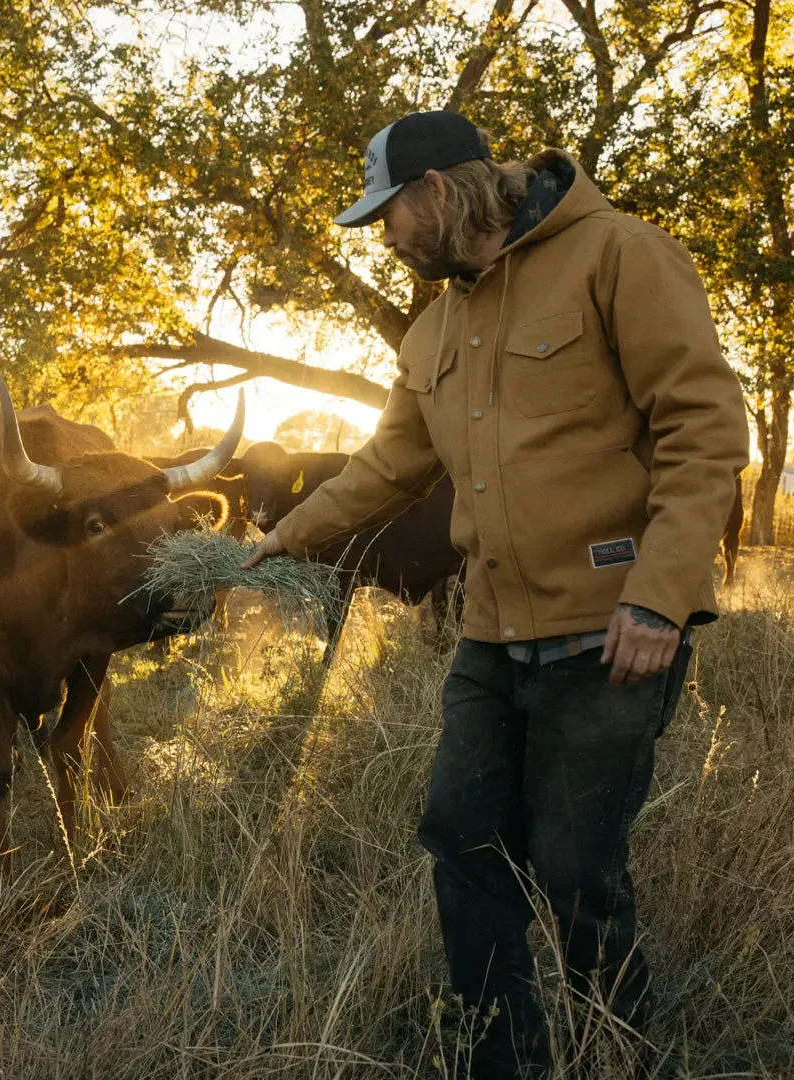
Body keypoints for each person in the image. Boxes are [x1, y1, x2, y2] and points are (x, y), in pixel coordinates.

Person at [243, 110, 749, 1078]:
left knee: (573, 870)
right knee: (462, 844)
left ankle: (623, 1055)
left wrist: (659, 597)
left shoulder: (619, 256)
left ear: (436, 194)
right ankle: (498, 1061)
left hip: (609, 632)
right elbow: (388, 464)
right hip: (487, 640)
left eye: (386, 216)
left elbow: (704, 428)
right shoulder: (434, 326)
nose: (384, 240)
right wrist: (285, 537)